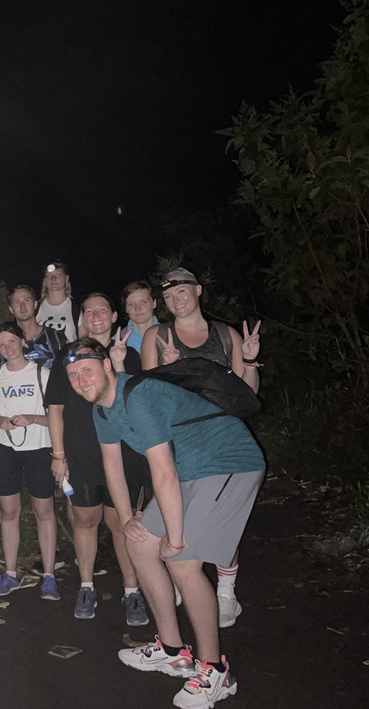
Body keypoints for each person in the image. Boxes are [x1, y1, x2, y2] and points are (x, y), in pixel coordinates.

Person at [70, 338, 264, 709]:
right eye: (74, 375)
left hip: (229, 462)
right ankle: (173, 650)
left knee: (183, 560)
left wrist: (175, 539)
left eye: (87, 369)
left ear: (108, 366)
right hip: (188, 469)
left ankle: (215, 672)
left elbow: (162, 472)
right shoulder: (102, 410)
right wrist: (128, 520)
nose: (81, 379)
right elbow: (113, 466)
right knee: (139, 543)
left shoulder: (139, 397)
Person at [141, 267, 262, 626]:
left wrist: (252, 358)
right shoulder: (157, 335)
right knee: (173, 513)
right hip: (179, 442)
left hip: (224, 441)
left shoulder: (225, 336)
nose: (175, 301)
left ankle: (226, 593)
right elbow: (150, 394)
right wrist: (170, 369)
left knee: (225, 520)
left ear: (198, 291)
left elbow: (248, 393)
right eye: (167, 296)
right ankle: (182, 581)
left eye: (181, 292)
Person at [46, 293, 150, 625]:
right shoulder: (67, 355)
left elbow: (140, 404)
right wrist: (58, 455)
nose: (95, 315)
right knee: (85, 520)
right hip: (82, 454)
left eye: (101, 309)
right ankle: (86, 586)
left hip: (125, 454)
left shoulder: (131, 355)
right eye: (88, 311)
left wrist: (119, 364)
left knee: (123, 523)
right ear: (82, 319)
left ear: (115, 316)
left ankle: (132, 590)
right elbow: (55, 409)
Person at [0, 322, 59, 600]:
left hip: (39, 447)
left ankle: (49, 576)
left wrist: (33, 418)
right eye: (2, 345)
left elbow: (56, 415)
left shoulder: (43, 373)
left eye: (11, 342)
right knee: (9, 512)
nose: (7, 348)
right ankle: (11, 573)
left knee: (44, 511)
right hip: (6, 448)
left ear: (22, 341)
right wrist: (0, 421)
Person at [0, 284, 67, 370]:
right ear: (11, 309)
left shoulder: (56, 338)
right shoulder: (4, 344)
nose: (22, 306)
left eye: (27, 300)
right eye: (17, 302)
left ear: (35, 304)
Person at [36, 260, 82, 341]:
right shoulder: (35, 308)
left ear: (66, 278)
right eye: (49, 276)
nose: (53, 279)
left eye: (58, 275)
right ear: (44, 281)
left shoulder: (77, 308)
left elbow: (84, 342)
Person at [122, 280, 159, 355]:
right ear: (126, 309)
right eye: (131, 304)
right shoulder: (117, 341)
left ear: (154, 303)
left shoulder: (170, 335)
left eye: (143, 302)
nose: (137, 308)